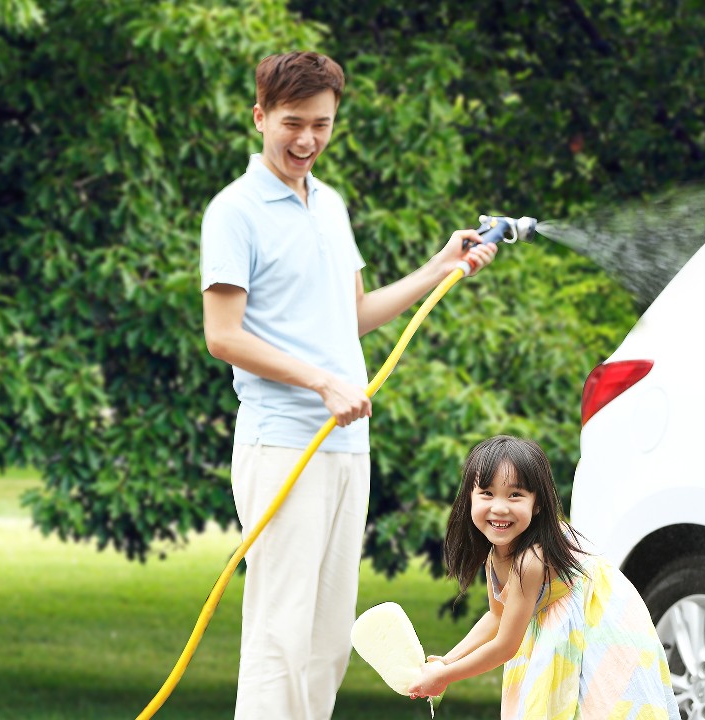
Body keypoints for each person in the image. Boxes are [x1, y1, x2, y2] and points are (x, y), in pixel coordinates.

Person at [200, 50, 498, 720]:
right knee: (281, 632)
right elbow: (223, 335)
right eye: (292, 122)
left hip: (344, 446)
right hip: (283, 443)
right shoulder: (235, 211)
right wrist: (322, 383)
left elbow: (353, 315)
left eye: (322, 123)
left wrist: (439, 268)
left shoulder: (329, 204)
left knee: (329, 638)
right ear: (260, 117)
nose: (307, 139)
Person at [405, 435, 680, 719]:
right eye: (487, 493)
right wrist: (447, 661)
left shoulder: (531, 560)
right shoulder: (497, 552)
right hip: (563, 627)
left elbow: (505, 646)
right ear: (469, 498)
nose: (500, 507)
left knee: (602, 709)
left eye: (515, 495)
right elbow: (497, 617)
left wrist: (446, 676)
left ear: (537, 504)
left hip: (601, 629)